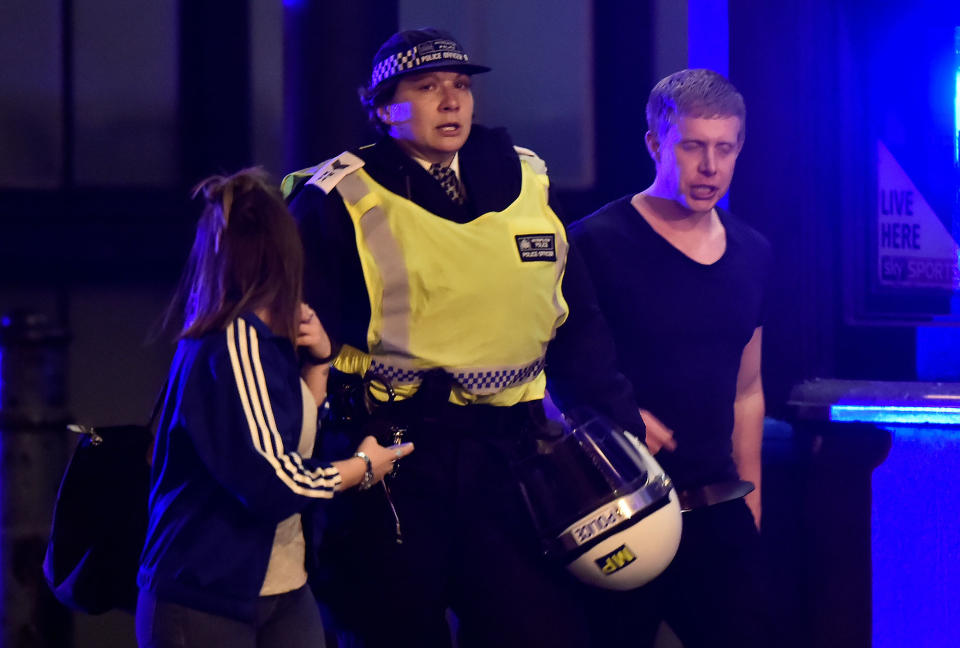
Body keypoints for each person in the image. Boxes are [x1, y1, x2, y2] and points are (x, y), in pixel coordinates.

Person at [284, 28, 646, 648]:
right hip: (394, 465)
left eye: (460, 86)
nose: (451, 101)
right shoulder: (336, 197)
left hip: (511, 461)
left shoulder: (527, 180)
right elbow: (291, 340)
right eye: (426, 88)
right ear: (380, 107)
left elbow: (577, 322)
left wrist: (621, 437)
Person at [135, 169, 412, 648]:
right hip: (207, 593)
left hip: (282, 586)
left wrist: (320, 361)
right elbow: (276, 482)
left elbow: (292, 440)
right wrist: (361, 468)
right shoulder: (230, 343)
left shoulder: (267, 340)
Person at [549, 69, 772, 648]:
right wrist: (610, 424)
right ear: (655, 143)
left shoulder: (753, 252)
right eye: (693, 146)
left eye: (724, 149)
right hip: (616, 508)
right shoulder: (594, 243)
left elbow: (748, 390)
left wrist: (751, 501)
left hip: (717, 505)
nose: (709, 167)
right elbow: (547, 377)